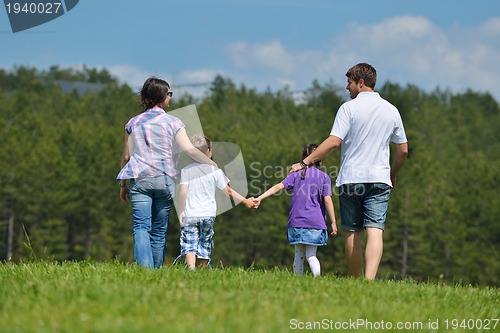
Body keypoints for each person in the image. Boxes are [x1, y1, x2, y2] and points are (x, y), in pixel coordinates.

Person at [290, 63, 408, 280]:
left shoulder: (348, 108)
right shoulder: (392, 110)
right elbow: (403, 150)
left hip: (352, 178)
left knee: (352, 231)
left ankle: (355, 280)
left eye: (349, 83)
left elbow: (333, 142)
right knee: (375, 230)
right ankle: (369, 281)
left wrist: (305, 162)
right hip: (380, 179)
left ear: (360, 83)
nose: (347, 88)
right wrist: (393, 173)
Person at [117, 77, 217, 269]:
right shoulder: (173, 122)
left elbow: (126, 157)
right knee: (159, 229)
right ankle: (156, 269)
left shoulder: (133, 123)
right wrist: (211, 164)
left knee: (141, 227)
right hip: (165, 180)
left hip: (140, 180)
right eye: (169, 94)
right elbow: (189, 150)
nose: (170, 97)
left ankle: (145, 269)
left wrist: (123, 185)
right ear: (161, 96)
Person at [253, 144, 337, 277]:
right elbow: (327, 200)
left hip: (297, 221)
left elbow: (278, 187)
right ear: (320, 159)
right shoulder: (324, 177)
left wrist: (260, 198)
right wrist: (333, 221)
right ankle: (318, 280)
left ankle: (297, 280)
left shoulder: (296, 175)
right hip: (315, 222)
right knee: (311, 255)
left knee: (299, 254)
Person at [175, 134, 255, 269]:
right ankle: (202, 269)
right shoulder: (215, 170)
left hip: (191, 213)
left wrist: (181, 211)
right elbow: (229, 192)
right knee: (204, 243)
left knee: (190, 242)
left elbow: (183, 192)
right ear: (209, 152)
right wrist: (245, 201)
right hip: (208, 214)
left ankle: (191, 268)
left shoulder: (186, 171)